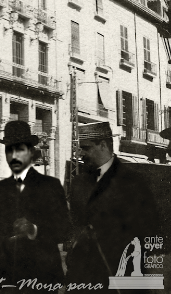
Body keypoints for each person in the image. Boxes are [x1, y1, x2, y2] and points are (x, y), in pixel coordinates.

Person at [66, 122, 160, 293]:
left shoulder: (134, 182)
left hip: (122, 275)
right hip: (85, 278)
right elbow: (75, 225)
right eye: (80, 148)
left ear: (103, 145)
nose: (81, 153)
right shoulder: (78, 184)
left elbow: (150, 230)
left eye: (86, 148)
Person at [0, 120, 70, 293]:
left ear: (31, 152)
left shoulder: (51, 186)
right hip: (7, 277)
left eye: (20, 149)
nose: (14, 155)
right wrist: (8, 234)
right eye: (10, 149)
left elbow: (65, 230)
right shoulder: (0, 189)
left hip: (42, 278)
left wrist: (33, 229)